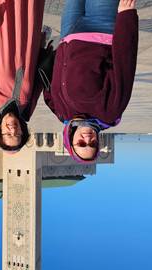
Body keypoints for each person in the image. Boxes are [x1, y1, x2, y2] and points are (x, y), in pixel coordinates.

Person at [44, 0, 138, 163]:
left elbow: (48, 88)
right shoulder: (109, 112)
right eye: (92, 144)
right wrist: (126, 17)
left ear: (70, 141)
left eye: (81, 144)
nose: (87, 138)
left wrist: (49, 55)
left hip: (69, 31)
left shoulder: (62, 114)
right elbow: (125, 65)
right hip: (101, 27)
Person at [0, 1, 45, 152]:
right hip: (28, 30)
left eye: (7, 134)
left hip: (3, 29)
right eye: (18, 135)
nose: (13, 130)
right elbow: (38, 77)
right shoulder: (27, 108)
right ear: (23, 131)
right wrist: (40, 48)